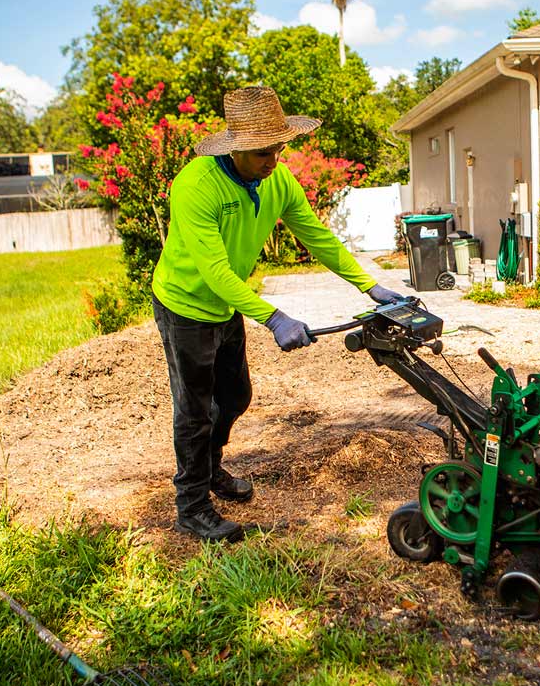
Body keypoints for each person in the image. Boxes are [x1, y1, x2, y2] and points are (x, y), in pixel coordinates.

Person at [151, 86, 402, 542]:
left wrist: (369, 283)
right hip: (185, 305)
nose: (274, 160)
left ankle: (210, 469)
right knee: (194, 410)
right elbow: (215, 272)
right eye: (265, 152)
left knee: (234, 397)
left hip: (227, 306)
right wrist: (274, 318)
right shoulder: (195, 186)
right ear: (239, 147)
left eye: (280, 148)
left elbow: (317, 236)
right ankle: (191, 505)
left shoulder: (277, 181)